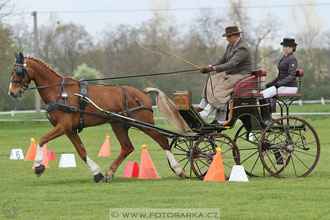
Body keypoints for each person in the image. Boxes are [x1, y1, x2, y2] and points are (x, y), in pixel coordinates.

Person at [197, 26, 253, 122]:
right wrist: (209, 66)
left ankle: (204, 114)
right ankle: (201, 106)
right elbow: (222, 60)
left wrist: (213, 68)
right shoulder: (230, 45)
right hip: (231, 73)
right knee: (211, 80)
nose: (227, 40)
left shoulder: (242, 48)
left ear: (235, 36)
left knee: (219, 91)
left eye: (228, 37)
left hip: (240, 75)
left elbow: (231, 64)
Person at [260, 38, 298, 124]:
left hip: (290, 87)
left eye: (286, 47)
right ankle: (265, 117)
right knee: (262, 94)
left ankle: (267, 119)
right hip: (283, 86)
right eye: (283, 46)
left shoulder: (292, 59)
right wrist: (272, 83)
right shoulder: (285, 57)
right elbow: (280, 76)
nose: (284, 48)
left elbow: (291, 76)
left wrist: (279, 84)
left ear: (292, 48)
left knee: (264, 94)